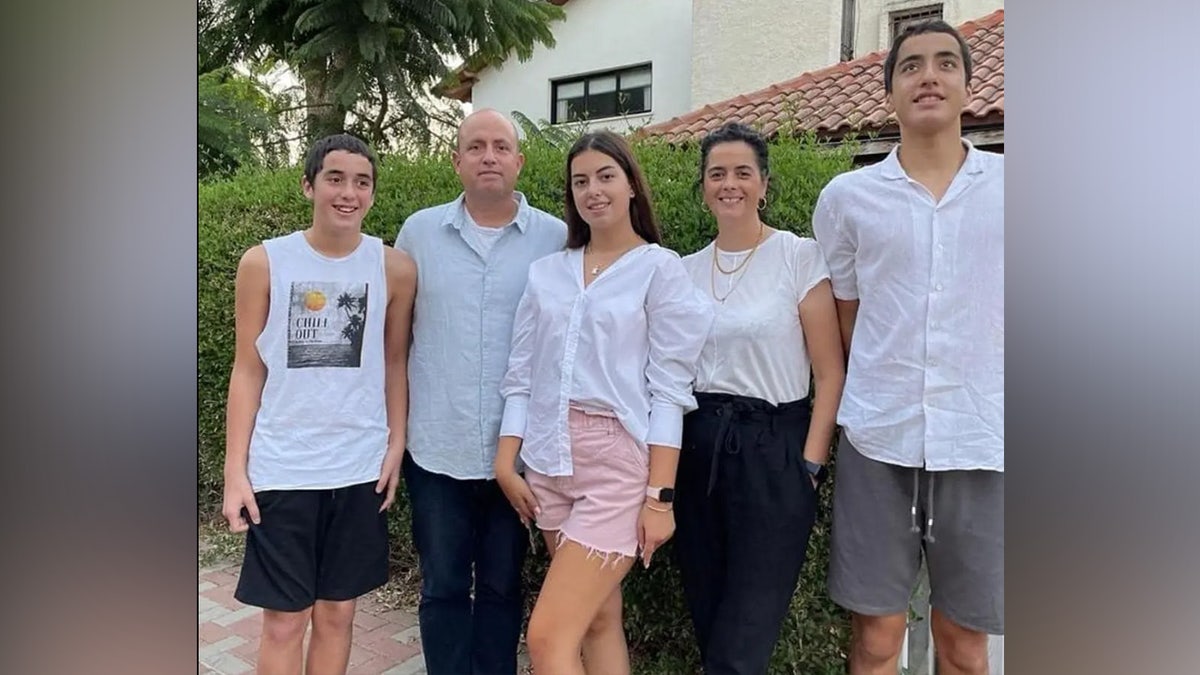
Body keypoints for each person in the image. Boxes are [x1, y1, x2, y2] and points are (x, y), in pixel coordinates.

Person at [812, 19, 1004, 675]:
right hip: (879, 437)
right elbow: (848, 316)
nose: (928, 75)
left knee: (965, 646)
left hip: (983, 438)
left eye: (945, 63)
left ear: (967, 86)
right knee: (874, 639)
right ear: (890, 91)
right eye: (911, 64)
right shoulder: (847, 199)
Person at [494, 130, 713, 675]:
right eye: (581, 181)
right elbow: (522, 374)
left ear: (632, 185)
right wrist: (506, 460)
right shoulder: (548, 272)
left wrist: (659, 499)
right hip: (546, 459)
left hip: (614, 464)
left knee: (546, 639)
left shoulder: (660, 269)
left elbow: (669, 391)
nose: (594, 190)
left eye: (606, 176)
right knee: (597, 618)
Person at [221, 133, 417, 675]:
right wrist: (235, 470)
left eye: (362, 182)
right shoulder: (264, 262)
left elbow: (394, 362)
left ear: (372, 194)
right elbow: (247, 368)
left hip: (358, 468)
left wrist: (396, 443)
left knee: (337, 614)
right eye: (335, 178)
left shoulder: (395, 268)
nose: (348, 192)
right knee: (284, 621)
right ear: (310, 185)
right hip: (284, 467)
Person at [394, 108, 567, 675]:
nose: (488, 155)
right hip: (436, 450)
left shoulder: (556, 239)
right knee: (442, 585)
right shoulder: (418, 234)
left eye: (500, 146)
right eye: (475, 146)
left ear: (519, 160)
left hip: (517, 455)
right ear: (456, 161)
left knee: (501, 585)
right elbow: (396, 343)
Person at [674, 121, 846, 674]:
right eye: (717, 173)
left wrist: (810, 464)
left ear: (763, 184)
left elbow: (830, 372)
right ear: (703, 186)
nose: (730, 184)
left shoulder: (799, 258)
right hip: (696, 450)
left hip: (775, 449)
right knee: (709, 613)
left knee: (747, 631)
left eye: (743, 172)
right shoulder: (681, 272)